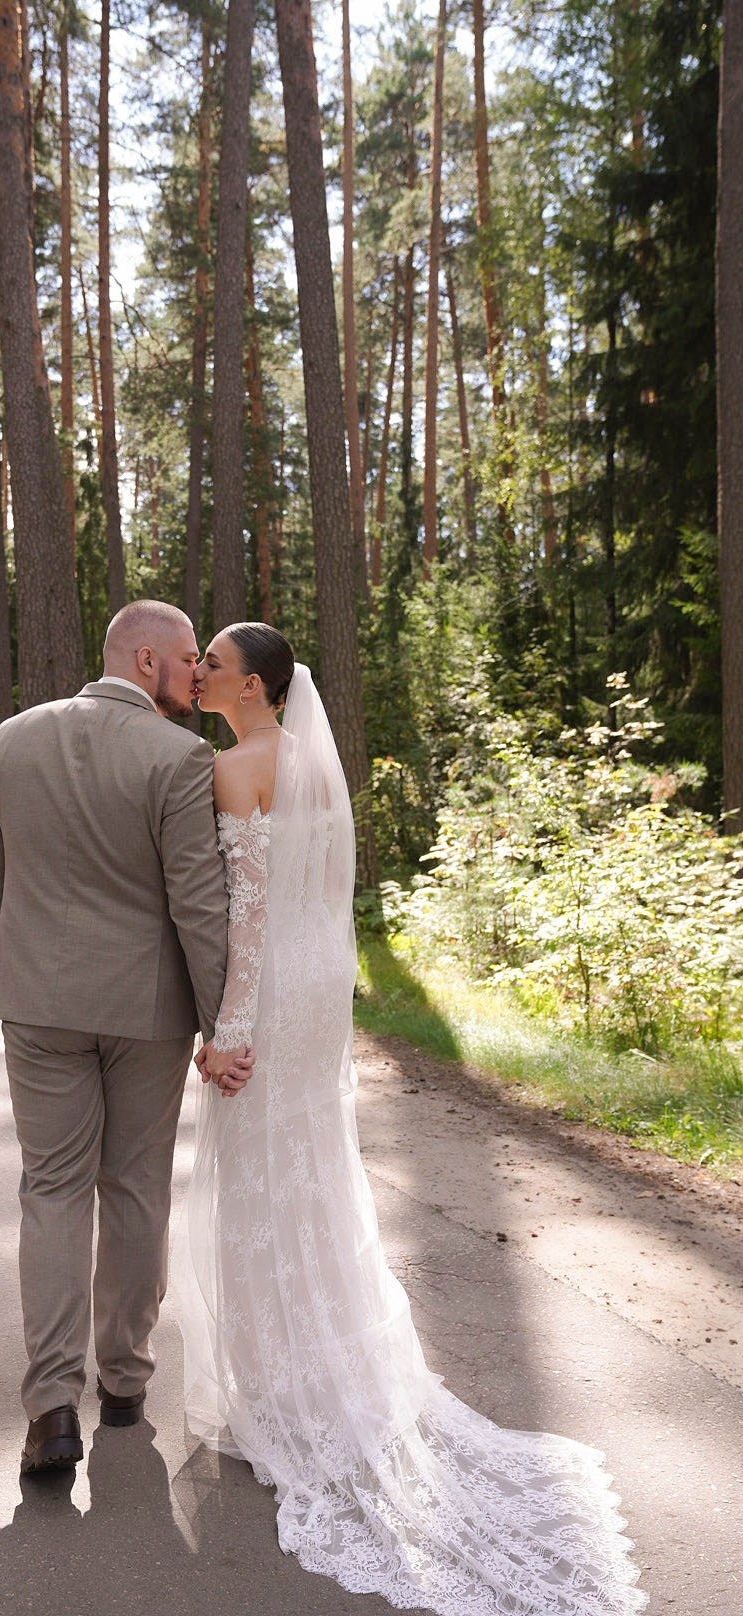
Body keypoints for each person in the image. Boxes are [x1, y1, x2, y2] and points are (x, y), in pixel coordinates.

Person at [176, 621, 647, 1615]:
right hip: (324, 984)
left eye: (213, 660)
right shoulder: (308, 758)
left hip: (268, 994)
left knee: (261, 1175)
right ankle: (317, 1371)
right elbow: (329, 894)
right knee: (309, 1164)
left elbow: (246, 919)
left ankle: (283, 1399)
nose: (199, 670)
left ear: (252, 684)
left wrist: (227, 1027)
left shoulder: (237, 765)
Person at [0, 600, 253, 1480]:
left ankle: (50, 1408)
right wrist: (221, 1027)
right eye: (184, 662)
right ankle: (125, 1382)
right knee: (134, 1189)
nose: (196, 678)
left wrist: (28, 967)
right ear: (143, 660)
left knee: (51, 1190)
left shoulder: (12, 738)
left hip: (39, 1004)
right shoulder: (179, 757)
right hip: (146, 1012)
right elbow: (197, 903)